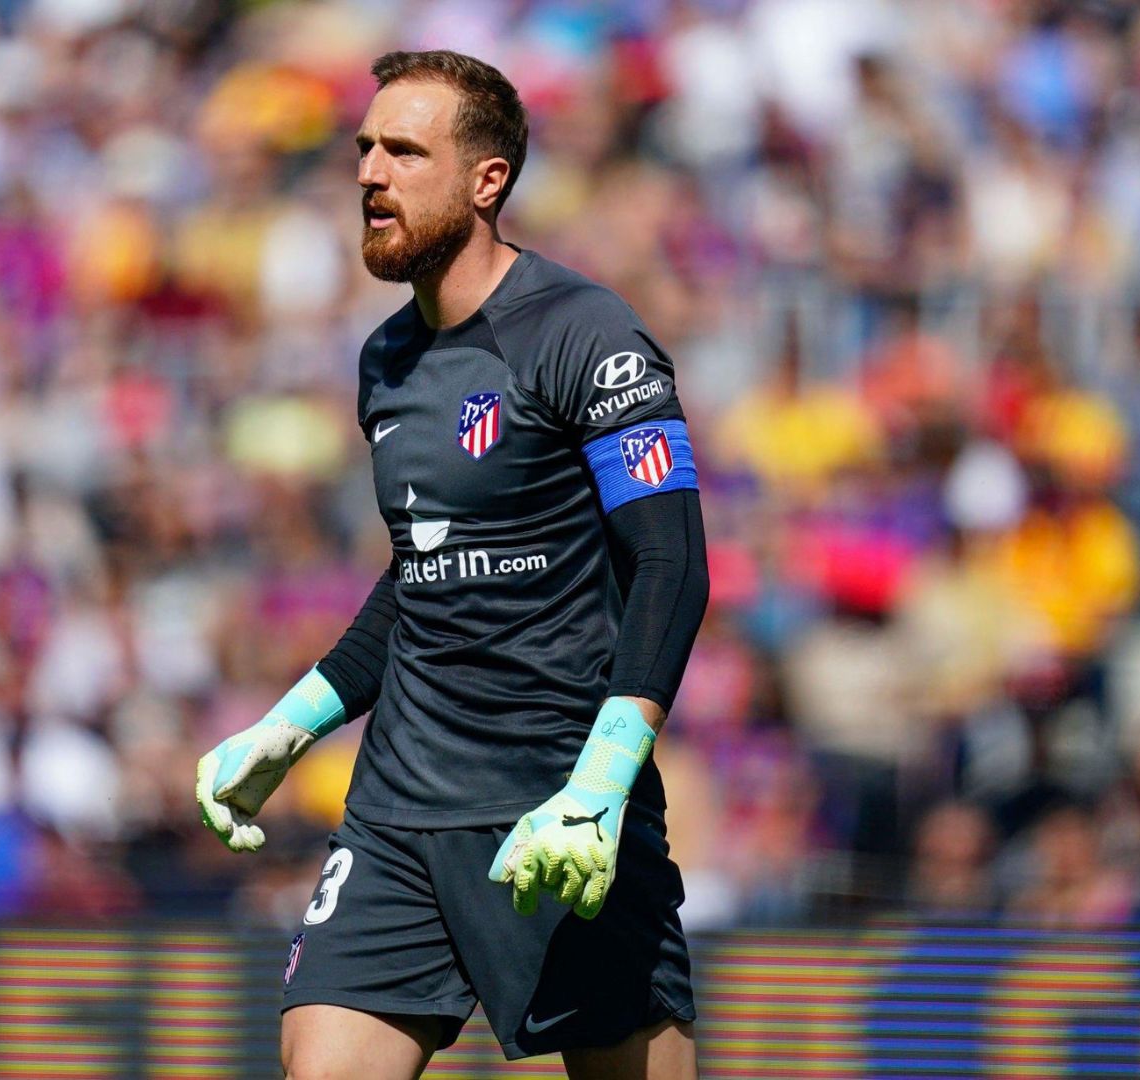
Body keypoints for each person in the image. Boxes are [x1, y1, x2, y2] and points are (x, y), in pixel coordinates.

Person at [194, 50, 709, 1079]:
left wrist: (602, 781)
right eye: (365, 148)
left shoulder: (585, 334)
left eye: (403, 151)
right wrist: (289, 725)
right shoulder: (386, 360)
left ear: (486, 180)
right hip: (397, 810)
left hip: (557, 807)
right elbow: (423, 573)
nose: (369, 173)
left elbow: (670, 562)